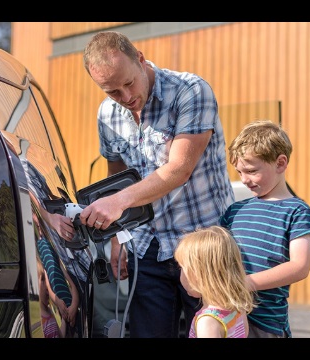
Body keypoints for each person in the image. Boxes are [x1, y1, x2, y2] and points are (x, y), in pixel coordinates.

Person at [79, 31, 235, 338]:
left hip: (204, 243)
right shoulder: (107, 115)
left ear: (140, 58)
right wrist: (116, 239)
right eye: (112, 91)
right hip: (147, 246)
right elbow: (117, 180)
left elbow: (178, 169)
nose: (125, 97)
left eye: (129, 83)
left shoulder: (190, 90)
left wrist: (118, 202)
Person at [220, 119, 310, 338]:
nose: (245, 180)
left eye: (252, 171)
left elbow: (299, 266)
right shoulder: (234, 211)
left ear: (280, 163)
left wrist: (244, 284)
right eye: (239, 172)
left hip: (266, 324)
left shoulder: (298, 212)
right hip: (228, 317)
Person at [174, 226, 255, 338]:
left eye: (181, 267)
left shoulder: (207, 322)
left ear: (199, 275)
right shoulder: (237, 305)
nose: (180, 273)